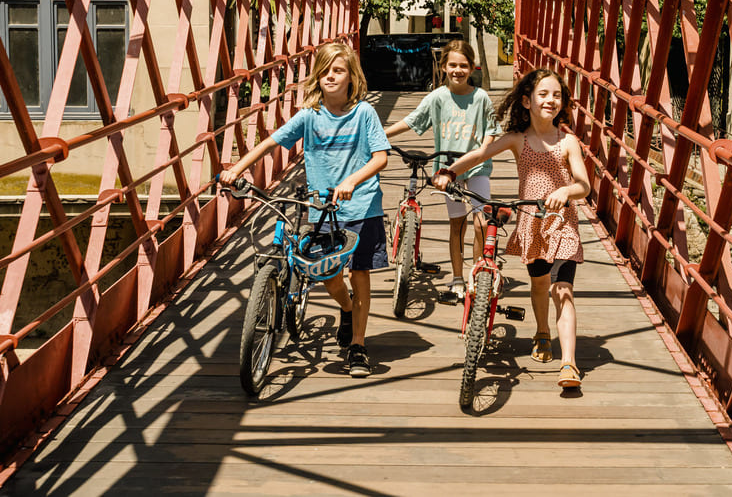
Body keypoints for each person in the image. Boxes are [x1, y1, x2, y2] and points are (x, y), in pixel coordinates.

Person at [219, 42, 390, 378]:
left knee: (360, 273)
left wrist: (352, 181)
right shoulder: (309, 117)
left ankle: (358, 345)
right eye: (324, 70)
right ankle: (345, 307)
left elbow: (380, 156)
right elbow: (271, 142)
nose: (330, 76)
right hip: (322, 209)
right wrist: (237, 169)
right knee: (328, 277)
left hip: (361, 204)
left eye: (338, 71)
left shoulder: (364, 113)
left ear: (351, 77)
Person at [432, 68, 589, 389]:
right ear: (526, 101)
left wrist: (565, 191)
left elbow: (584, 184)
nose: (550, 100)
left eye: (557, 94)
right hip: (532, 225)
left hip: (562, 225)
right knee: (539, 285)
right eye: (543, 94)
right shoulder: (519, 140)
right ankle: (543, 331)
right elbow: (479, 154)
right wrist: (449, 171)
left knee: (564, 291)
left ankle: (569, 363)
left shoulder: (568, 141)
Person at [384, 40, 498, 297]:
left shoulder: (481, 98)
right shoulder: (437, 98)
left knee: (481, 222)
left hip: (477, 168)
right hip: (446, 171)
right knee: (456, 225)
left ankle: (478, 275)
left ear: (472, 67)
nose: (458, 70)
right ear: (444, 66)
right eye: (453, 65)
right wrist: (381, 134)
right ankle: (457, 278)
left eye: (464, 65)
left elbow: (491, 133)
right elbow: (412, 120)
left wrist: (485, 149)